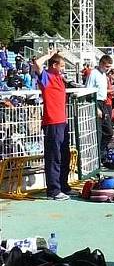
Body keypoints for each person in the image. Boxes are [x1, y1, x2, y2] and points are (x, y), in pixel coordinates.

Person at [31, 51, 71, 200]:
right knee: (54, 156)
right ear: (54, 65)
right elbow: (37, 65)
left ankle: (63, 186)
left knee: (64, 155)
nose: (63, 69)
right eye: (61, 66)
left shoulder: (59, 78)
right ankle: (53, 191)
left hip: (62, 121)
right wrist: (49, 55)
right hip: (52, 122)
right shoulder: (46, 77)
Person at [84, 54, 114, 154]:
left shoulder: (103, 74)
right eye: (106, 66)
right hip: (96, 102)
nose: (108, 69)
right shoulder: (93, 73)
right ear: (101, 63)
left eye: (109, 67)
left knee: (108, 131)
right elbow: (88, 91)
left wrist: (110, 91)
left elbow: (101, 90)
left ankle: (100, 153)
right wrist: (96, 108)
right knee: (98, 131)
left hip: (103, 102)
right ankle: (96, 154)